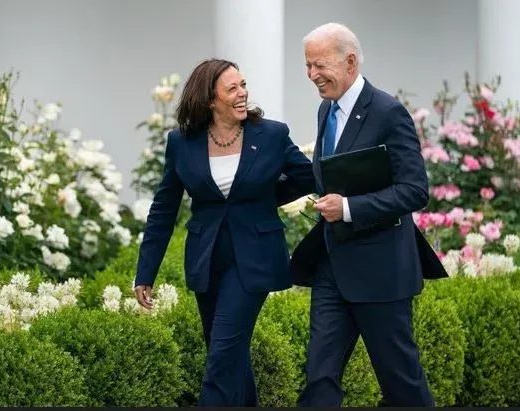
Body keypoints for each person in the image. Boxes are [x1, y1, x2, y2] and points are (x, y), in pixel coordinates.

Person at [134, 58, 315, 406]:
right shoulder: (181, 142)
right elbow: (163, 209)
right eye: (232, 88)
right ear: (209, 100)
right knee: (228, 353)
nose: (242, 93)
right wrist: (146, 273)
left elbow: (307, 176)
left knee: (221, 356)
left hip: (255, 259)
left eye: (243, 85)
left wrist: (264, 199)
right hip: (207, 260)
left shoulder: (272, 134)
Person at [290, 23, 447, 407]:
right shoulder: (324, 109)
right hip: (332, 267)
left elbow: (414, 190)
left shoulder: (388, 112)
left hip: (382, 271)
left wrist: (348, 208)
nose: (312, 75)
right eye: (307, 66)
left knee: (402, 386)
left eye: (319, 65)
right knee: (319, 378)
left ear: (350, 61)